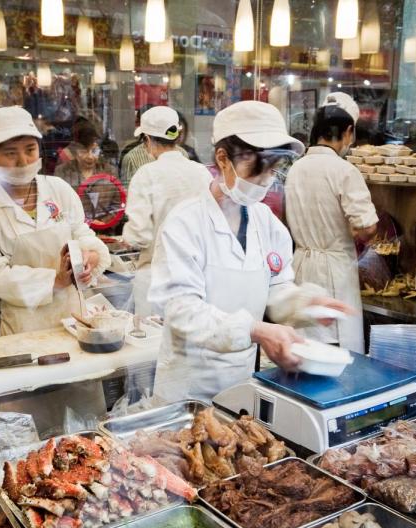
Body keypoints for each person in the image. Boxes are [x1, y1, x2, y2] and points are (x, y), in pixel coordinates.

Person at [148, 100, 352, 403]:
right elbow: (181, 309)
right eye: (257, 167)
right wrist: (256, 331)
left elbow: (276, 287)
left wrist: (307, 303)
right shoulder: (185, 222)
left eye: (272, 169)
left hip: (241, 381)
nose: (266, 180)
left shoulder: (265, 222)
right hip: (188, 387)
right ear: (222, 158)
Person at [0, 106, 111, 335]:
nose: (23, 161)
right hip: (24, 327)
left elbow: (82, 233)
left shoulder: (58, 189)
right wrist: (56, 280)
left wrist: (90, 256)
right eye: (11, 153)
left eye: (30, 149)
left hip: (75, 320)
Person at [285, 93, 378, 353]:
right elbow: (368, 226)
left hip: (300, 264)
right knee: (336, 344)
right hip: (335, 269)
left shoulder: (296, 168)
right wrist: (358, 237)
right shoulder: (344, 170)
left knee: (303, 346)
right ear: (349, 131)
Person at [124, 107, 212, 317]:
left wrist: (127, 239)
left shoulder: (146, 175)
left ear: (146, 139)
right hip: (198, 276)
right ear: (177, 136)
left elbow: (139, 235)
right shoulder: (202, 173)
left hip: (156, 278)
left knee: (154, 344)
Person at [54, 122, 121, 225]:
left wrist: (103, 223)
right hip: (74, 232)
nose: (90, 157)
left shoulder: (110, 171)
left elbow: (117, 205)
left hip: (107, 232)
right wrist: (87, 223)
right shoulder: (62, 172)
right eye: (84, 151)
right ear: (75, 151)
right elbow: (58, 207)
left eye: (94, 151)